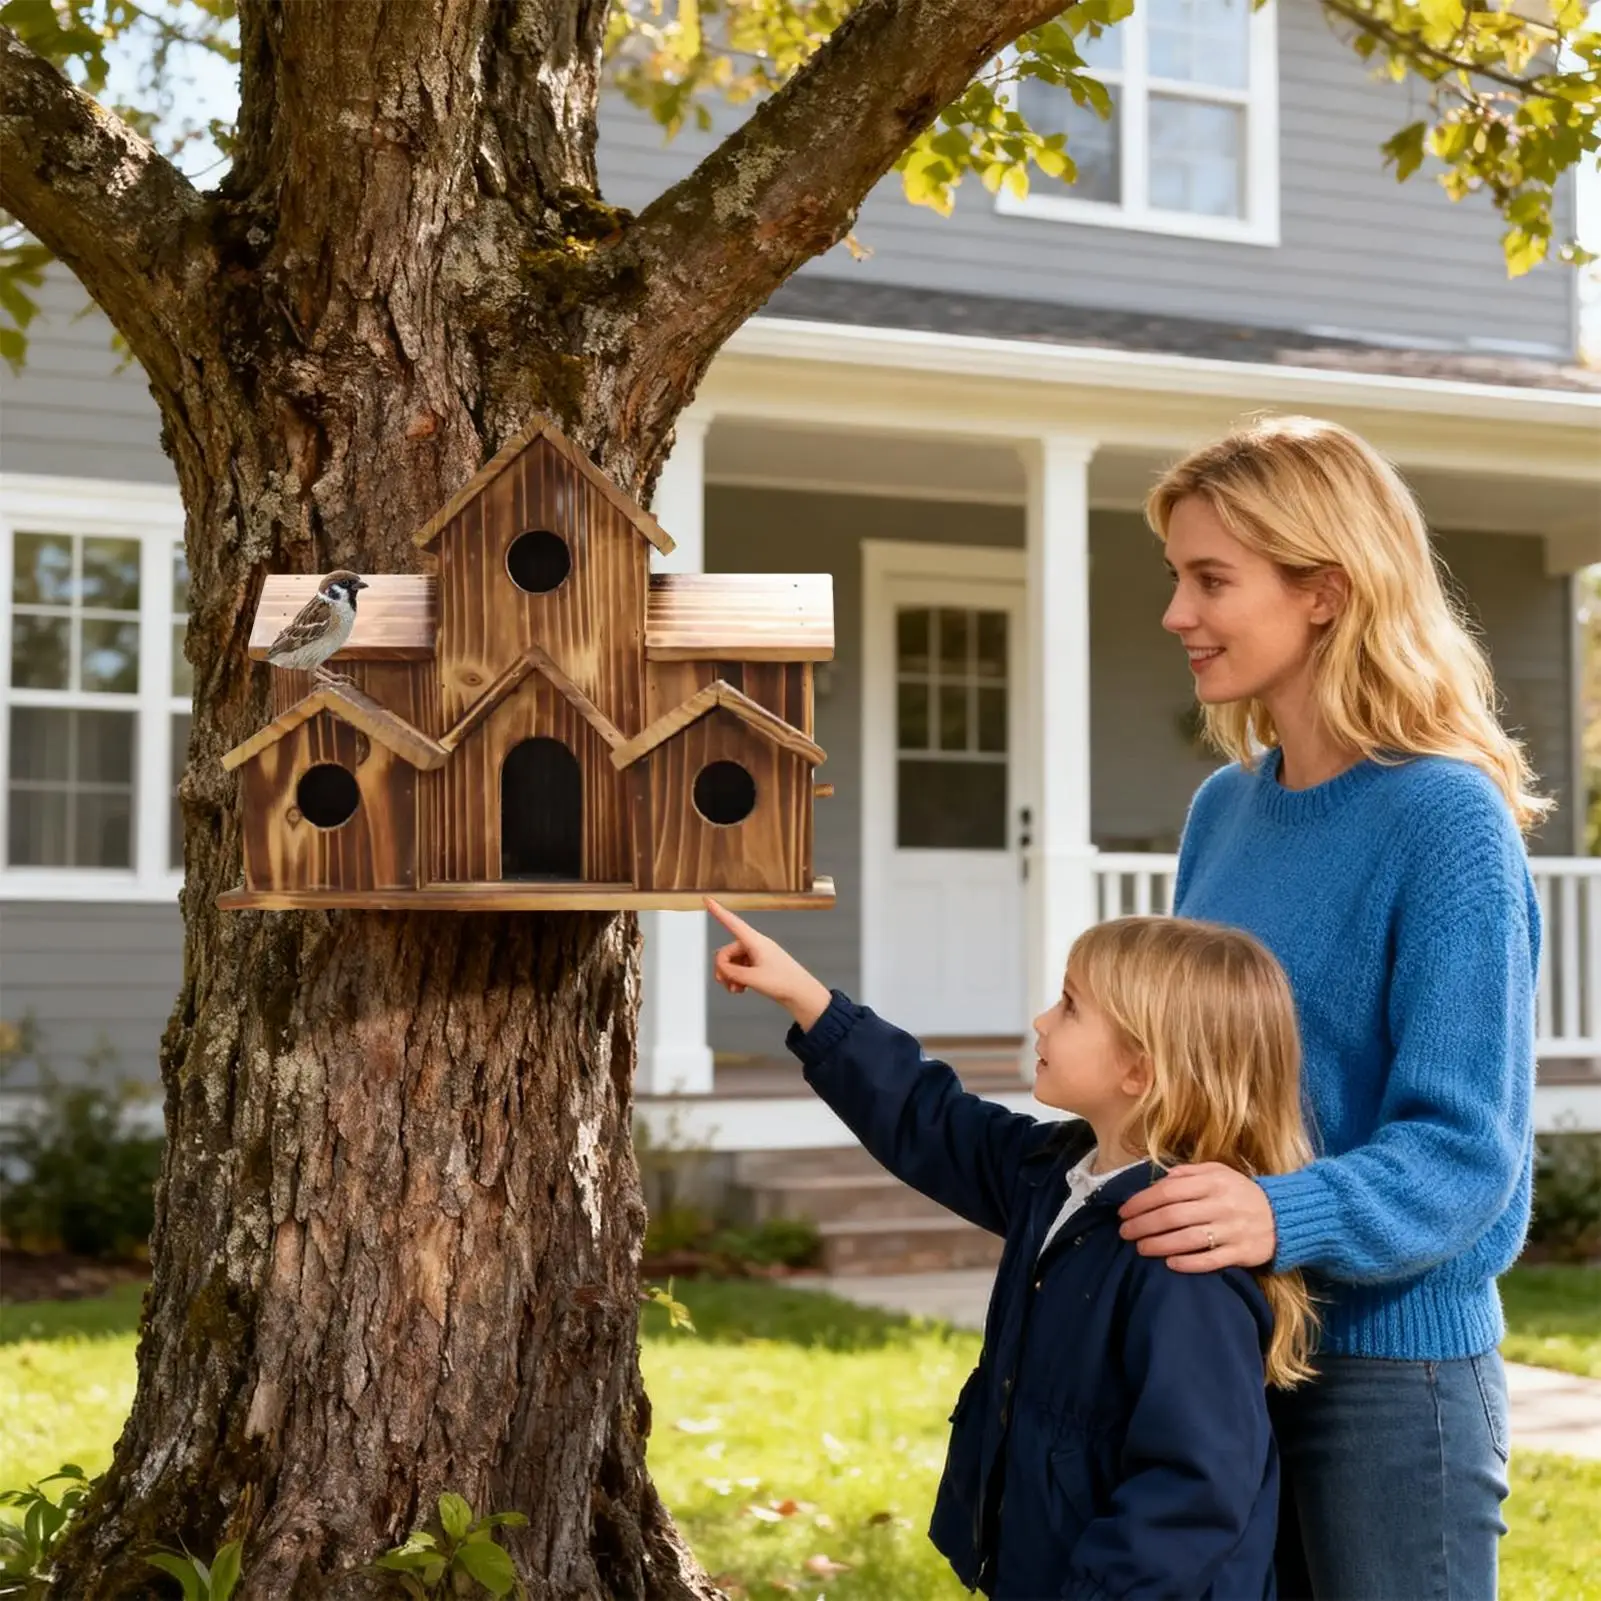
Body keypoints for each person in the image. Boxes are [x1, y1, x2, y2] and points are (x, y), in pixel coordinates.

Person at [1117, 415, 1540, 1601]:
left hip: (1388, 1381)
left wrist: (1274, 1214)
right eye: (1176, 577)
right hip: (1225, 1350)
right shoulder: (1221, 810)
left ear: (1323, 591)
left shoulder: (1443, 820)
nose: (1176, 614)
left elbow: (1467, 1154)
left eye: (1211, 579)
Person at [706, 901, 1316, 1601]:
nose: (1041, 1020)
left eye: (1069, 1006)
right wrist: (807, 999)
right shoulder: (1055, 1175)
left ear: (1138, 1072)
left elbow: (1192, 1491)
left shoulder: (1179, 1257)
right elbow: (929, 1119)